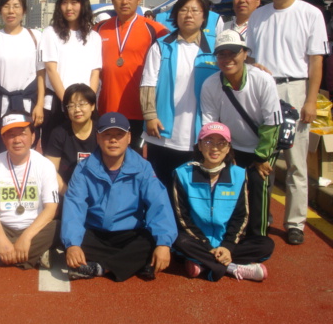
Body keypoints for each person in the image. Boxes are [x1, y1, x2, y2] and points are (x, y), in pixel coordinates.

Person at [246, 0, 329, 245]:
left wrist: (310, 100)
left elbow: (315, 61)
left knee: (295, 161)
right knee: (263, 160)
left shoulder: (311, 13)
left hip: (295, 88)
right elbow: (251, 58)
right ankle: (263, 218)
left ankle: (295, 222)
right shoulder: (259, 15)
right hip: (264, 91)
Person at [61, 112, 177, 281]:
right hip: (95, 234)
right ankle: (132, 264)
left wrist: (163, 244)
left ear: (129, 137)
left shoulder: (143, 167)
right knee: (67, 239)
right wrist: (72, 245)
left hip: (130, 234)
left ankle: (101, 267)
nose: (113, 140)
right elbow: (74, 207)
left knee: (152, 242)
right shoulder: (83, 169)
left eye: (119, 135)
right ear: (98, 138)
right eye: (107, 135)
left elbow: (159, 204)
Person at [201, 30, 282, 236]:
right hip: (232, 146)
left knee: (258, 183)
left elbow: (272, 123)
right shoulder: (210, 84)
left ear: (245, 53)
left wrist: (262, 157)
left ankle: (258, 236)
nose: (227, 59)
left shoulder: (263, 80)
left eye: (233, 53)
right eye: (222, 54)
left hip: (262, 145)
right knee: (224, 181)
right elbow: (211, 127)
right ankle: (226, 233)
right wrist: (221, 154)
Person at [172, 122, 274, 281]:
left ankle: (203, 263)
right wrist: (206, 245)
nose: (214, 148)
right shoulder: (182, 173)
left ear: (228, 148)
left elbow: (242, 216)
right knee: (178, 240)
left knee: (266, 244)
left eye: (221, 143)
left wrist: (227, 246)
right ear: (199, 145)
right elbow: (182, 217)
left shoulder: (239, 175)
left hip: (225, 240)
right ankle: (231, 268)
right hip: (196, 240)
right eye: (208, 141)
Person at [140, 0, 219, 192]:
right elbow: (148, 82)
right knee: (161, 183)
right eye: (183, 10)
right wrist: (150, 115)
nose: (189, 15)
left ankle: (187, 224)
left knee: (193, 186)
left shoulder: (214, 50)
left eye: (195, 10)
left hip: (197, 131)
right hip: (163, 129)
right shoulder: (162, 46)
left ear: (204, 17)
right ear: (175, 15)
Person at [0, 113, 60, 271]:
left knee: (59, 228)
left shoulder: (45, 165)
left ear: (33, 136)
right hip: (4, 228)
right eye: (11, 135)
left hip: (35, 229)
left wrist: (26, 237)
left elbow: (51, 208)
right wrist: (1, 240)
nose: (17, 140)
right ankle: (33, 256)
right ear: (3, 139)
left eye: (22, 134)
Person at [95, 0, 169, 150]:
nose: (124, 1)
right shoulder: (98, 29)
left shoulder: (156, 30)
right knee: (107, 157)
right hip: (107, 107)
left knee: (135, 160)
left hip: (139, 110)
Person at [0, 0, 45, 155]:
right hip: (1, 106)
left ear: (23, 11)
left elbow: (41, 74)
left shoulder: (35, 36)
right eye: (6, 6)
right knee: (1, 151)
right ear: (0, 10)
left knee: (27, 151)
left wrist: (40, 105)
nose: (11, 11)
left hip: (29, 104)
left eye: (16, 6)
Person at [39, 0, 102, 150]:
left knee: (88, 153)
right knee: (54, 153)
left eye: (74, 2)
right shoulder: (50, 33)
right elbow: (51, 70)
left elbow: (95, 72)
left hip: (85, 106)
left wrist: (87, 102)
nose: (69, 7)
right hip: (57, 106)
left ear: (83, 5)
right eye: (64, 2)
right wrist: (70, 103)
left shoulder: (94, 37)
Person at [44, 83, 98, 197]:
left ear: (92, 106)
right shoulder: (58, 134)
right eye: (71, 105)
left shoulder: (101, 132)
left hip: (99, 192)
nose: (77, 109)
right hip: (67, 193)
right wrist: (70, 195)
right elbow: (50, 171)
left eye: (82, 104)